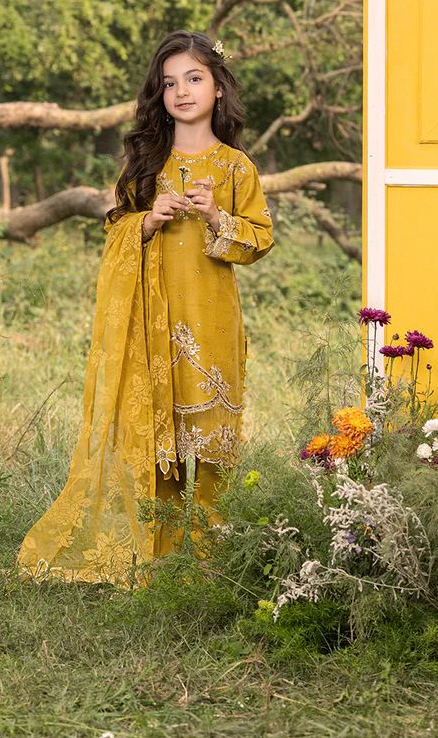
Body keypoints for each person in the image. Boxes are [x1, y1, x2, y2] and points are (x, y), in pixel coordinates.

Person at [16, 30, 275, 588]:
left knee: (210, 446)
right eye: (169, 82)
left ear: (218, 89)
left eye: (194, 78)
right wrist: (148, 221)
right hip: (150, 326)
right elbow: (116, 229)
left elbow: (259, 240)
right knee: (161, 443)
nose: (181, 91)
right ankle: (155, 558)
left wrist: (216, 217)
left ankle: (209, 564)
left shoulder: (236, 168)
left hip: (211, 323)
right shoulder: (144, 162)